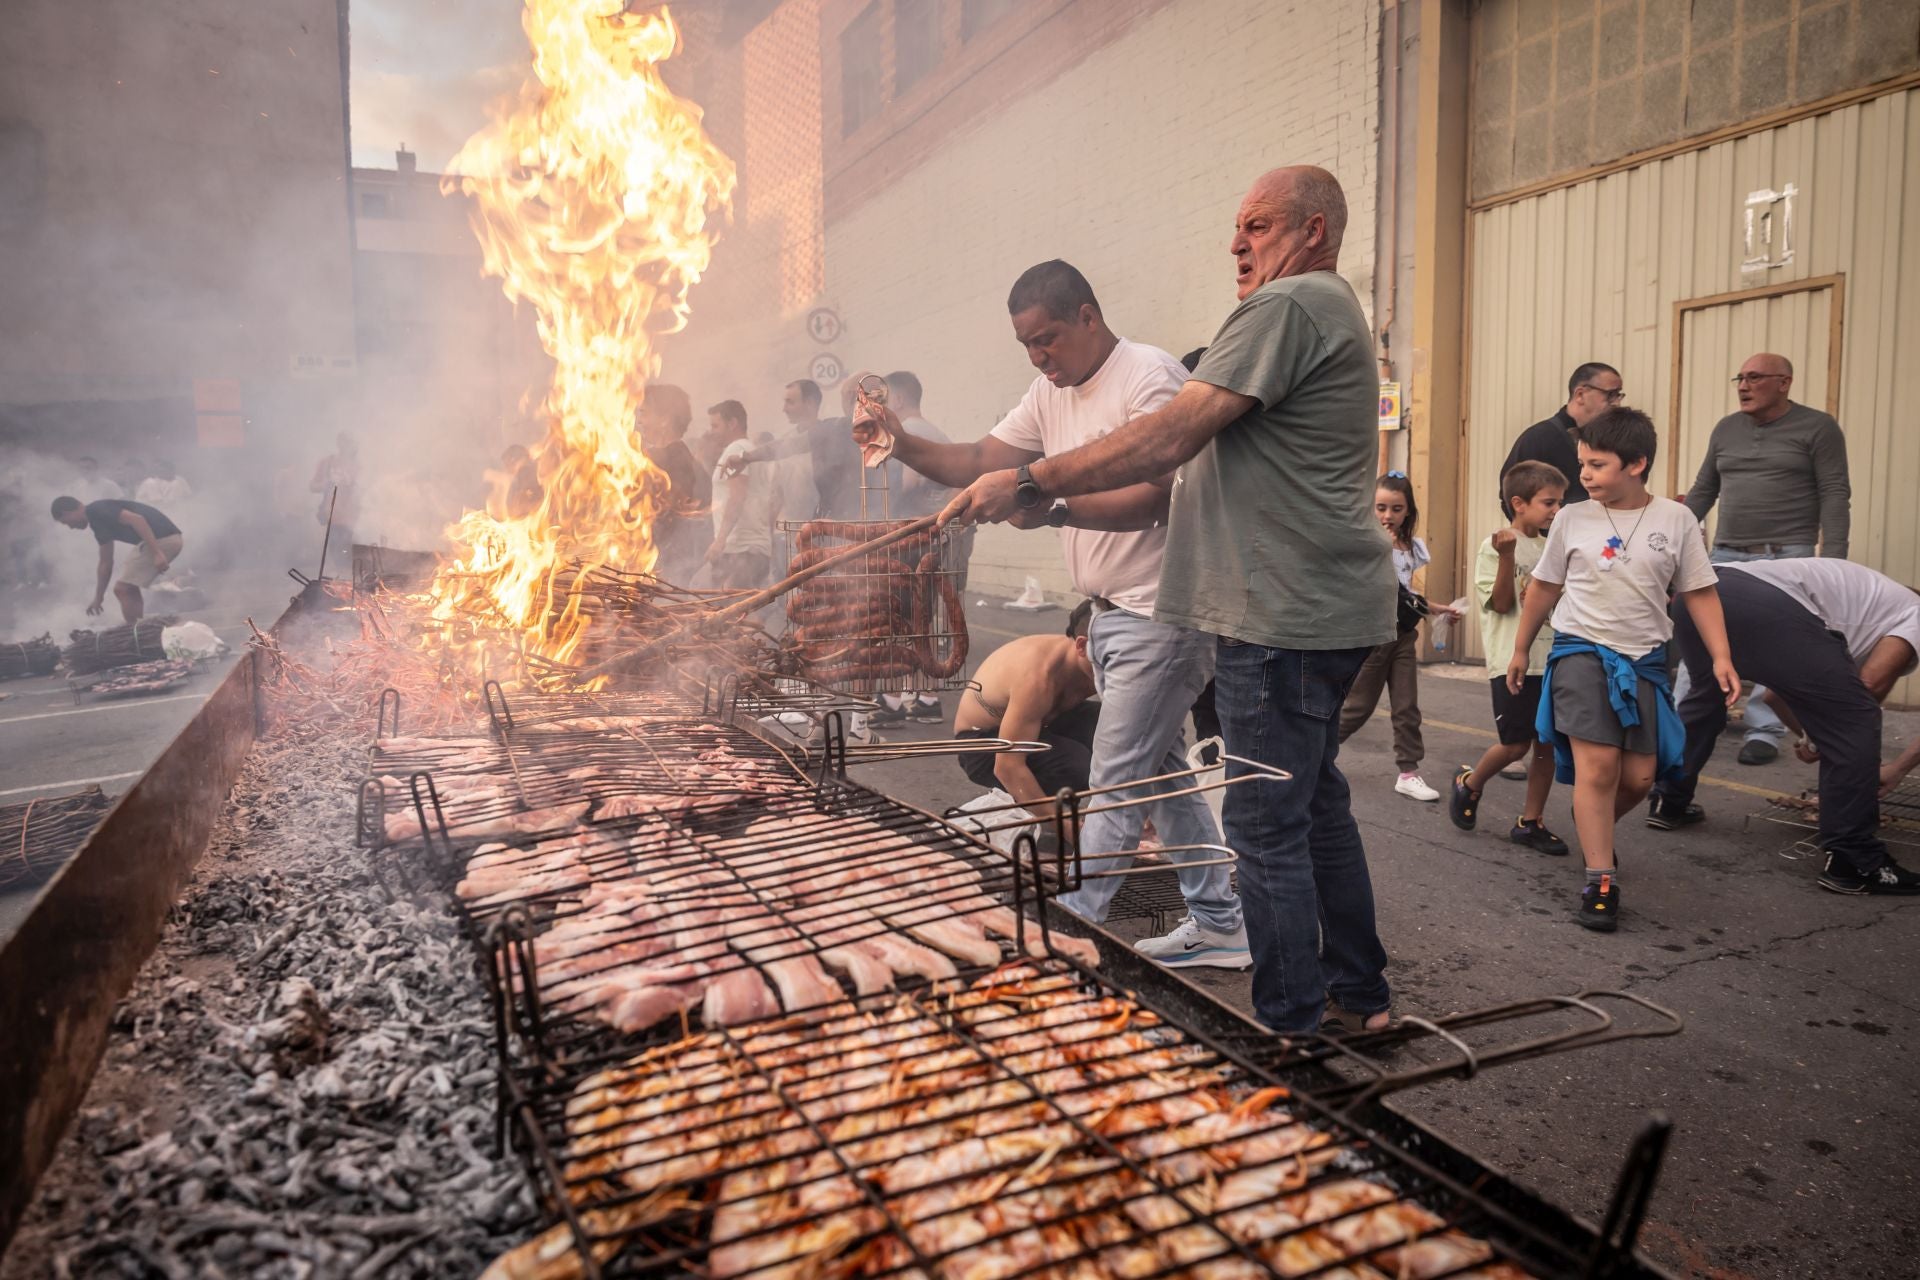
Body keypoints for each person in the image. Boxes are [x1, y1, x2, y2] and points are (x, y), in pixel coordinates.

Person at [938, 167, 1396, 1032]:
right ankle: (1360, 997)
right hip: (1319, 608)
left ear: (1312, 231)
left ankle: (1292, 1024)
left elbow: (1171, 436)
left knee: (1263, 824)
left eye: (1257, 226)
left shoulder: (1289, 307)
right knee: (1314, 805)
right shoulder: (1324, 313)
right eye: (1238, 227)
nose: (1237, 243)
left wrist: (1033, 479)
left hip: (1278, 611)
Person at [854, 259, 1247, 971]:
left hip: (1160, 613)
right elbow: (979, 457)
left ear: (1089, 317)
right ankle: (1222, 922)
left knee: (1118, 778)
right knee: (1162, 777)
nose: (1040, 358)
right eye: (1027, 346)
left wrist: (1044, 502)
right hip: (1108, 617)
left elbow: (1158, 494)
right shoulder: (1047, 391)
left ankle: (1069, 938)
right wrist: (901, 441)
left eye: (1050, 340)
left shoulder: (1147, 376)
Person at [1506, 407, 1738, 932]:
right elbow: (1544, 585)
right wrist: (1521, 649)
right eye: (1583, 463)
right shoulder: (1571, 517)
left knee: (1640, 778)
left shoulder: (1676, 520)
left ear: (1637, 464)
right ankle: (1600, 878)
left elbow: (1699, 591)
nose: (1584, 474)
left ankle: (1593, 829)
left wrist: (1721, 656)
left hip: (1645, 660)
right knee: (1599, 769)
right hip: (1580, 650)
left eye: (1597, 465)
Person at [1650, 558, 1920, 895]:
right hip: (1764, 604)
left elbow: (1777, 695)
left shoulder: (1864, 604)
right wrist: (1876, 764)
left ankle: (1669, 800)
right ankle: (1854, 860)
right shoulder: (1915, 610)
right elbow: (1871, 685)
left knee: (1705, 698)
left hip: (1700, 594)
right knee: (1857, 714)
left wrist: (1815, 739)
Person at [1681, 352, 1853, 766]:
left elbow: (1835, 493)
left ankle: (1763, 729)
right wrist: (1669, 537)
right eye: (1739, 377)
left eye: (1755, 377)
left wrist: (1833, 562)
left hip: (1789, 554)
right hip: (1725, 553)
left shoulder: (1818, 428)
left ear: (1784, 382)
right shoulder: (1726, 429)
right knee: (1702, 642)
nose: (1743, 385)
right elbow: (1704, 490)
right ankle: (1680, 726)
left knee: (1778, 649)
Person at [1448, 460, 1569, 853]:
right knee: (1516, 746)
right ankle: (1470, 784)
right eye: (1548, 502)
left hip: (1553, 657)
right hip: (1512, 660)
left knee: (1546, 744)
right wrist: (1506, 558)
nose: (1556, 511)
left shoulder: (1554, 546)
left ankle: (1530, 822)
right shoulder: (1495, 545)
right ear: (1519, 503)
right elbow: (1500, 605)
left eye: (1559, 503)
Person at [1336, 472, 1462, 801]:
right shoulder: (1365, 545)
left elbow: (1406, 593)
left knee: (1406, 707)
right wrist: (1380, 546)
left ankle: (1408, 772)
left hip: (1404, 635)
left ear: (1408, 511)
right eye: (1380, 508)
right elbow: (1371, 585)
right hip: (1374, 635)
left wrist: (1438, 609)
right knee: (1357, 707)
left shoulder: (1411, 547)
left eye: (1396, 508)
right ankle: (1313, 755)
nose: (1387, 516)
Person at [870, 370, 965, 727]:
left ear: (898, 398)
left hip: (913, 538)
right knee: (918, 621)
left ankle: (893, 701)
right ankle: (924, 698)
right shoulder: (934, 431)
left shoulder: (912, 434)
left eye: (885, 397)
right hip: (928, 537)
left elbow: (908, 483)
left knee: (899, 618)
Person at [955, 599, 1103, 817]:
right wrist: (1071, 834)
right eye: (1110, 656)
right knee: (1076, 764)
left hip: (1043, 721)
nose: (1120, 665)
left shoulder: (1102, 663)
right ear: (1081, 646)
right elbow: (1008, 766)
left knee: (1110, 726)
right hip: (981, 743)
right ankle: (1034, 814)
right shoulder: (1037, 678)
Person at [1497, 363, 1623, 509]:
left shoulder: (1611, 440)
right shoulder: (1537, 439)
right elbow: (1510, 499)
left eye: (1619, 395)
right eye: (1610, 395)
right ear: (1580, 395)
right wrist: (1542, 531)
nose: (1617, 403)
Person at [50, 495, 184, 623]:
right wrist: (99, 597)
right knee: (128, 588)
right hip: (162, 541)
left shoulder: (96, 509)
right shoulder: (97, 524)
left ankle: (135, 632)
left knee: (122, 589)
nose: (71, 527)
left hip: (164, 540)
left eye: (66, 522)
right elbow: (105, 563)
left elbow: (137, 519)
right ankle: (138, 627)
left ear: (67, 512)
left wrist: (157, 553)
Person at [635, 383, 713, 585]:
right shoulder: (682, 458)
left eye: (644, 413)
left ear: (664, 420)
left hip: (664, 567)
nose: (639, 421)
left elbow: (672, 512)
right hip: (662, 562)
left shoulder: (670, 460)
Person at [704, 400, 774, 590]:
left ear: (732, 423)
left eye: (715, 425)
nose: (711, 431)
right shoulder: (750, 450)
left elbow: (737, 497)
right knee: (744, 611)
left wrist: (720, 541)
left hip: (741, 550)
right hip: (750, 549)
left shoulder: (737, 450)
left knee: (730, 609)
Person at [309, 433, 358, 560]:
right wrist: (325, 485)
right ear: (338, 443)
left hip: (353, 520)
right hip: (333, 517)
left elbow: (365, 491)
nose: (346, 445)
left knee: (351, 562)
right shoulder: (327, 463)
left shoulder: (358, 466)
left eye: (349, 442)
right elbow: (312, 486)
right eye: (343, 441)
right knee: (337, 559)